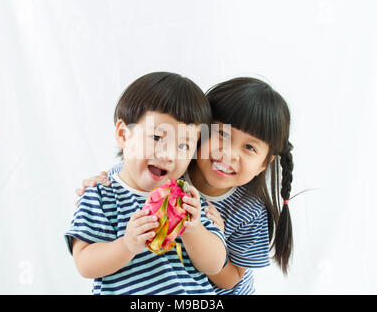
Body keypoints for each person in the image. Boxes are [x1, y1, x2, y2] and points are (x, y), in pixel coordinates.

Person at [78, 77, 294, 295]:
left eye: (249, 147)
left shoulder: (244, 211)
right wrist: (98, 182)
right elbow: (126, 177)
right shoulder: (166, 173)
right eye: (221, 134)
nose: (228, 153)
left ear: (264, 164)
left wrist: (197, 230)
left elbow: (229, 279)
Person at [65, 72, 227, 295]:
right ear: (124, 134)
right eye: (157, 138)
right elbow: (84, 263)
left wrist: (193, 229)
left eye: (183, 146)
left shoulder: (188, 199)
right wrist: (126, 245)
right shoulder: (100, 194)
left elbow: (215, 264)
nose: (168, 154)